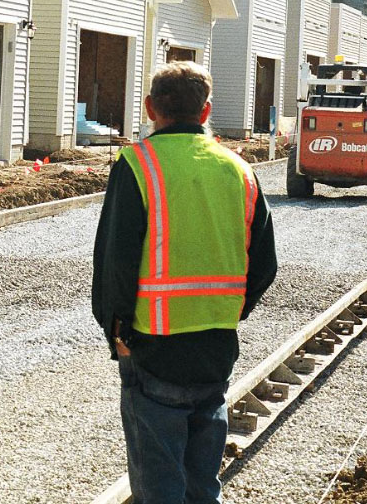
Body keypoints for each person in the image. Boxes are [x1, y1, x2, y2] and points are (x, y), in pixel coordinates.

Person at [92, 61, 278, 504]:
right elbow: (264, 263)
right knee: (201, 483)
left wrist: (115, 328)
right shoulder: (239, 169)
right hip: (214, 347)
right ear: (207, 109)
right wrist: (231, 307)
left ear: (150, 107)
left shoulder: (138, 164)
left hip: (153, 346)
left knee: (159, 486)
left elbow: (115, 257)